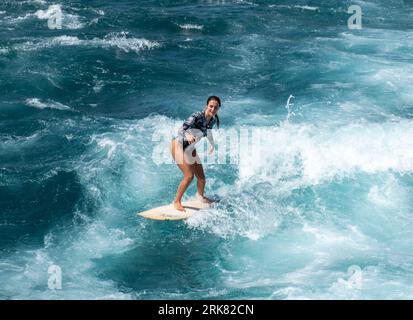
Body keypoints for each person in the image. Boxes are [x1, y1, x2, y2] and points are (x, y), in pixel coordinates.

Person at [169, 96, 221, 211]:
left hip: (190, 148)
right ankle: (176, 201)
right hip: (178, 145)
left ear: (218, 109)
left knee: (201, 178)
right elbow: (182, 129)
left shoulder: (212, 120)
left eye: (215, 107)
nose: (212, 109)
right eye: (211, 106)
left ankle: (200, 197)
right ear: (206, 106)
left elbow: (208, 132)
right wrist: (187, 134)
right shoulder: (196, 116)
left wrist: (212, 144)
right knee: (189, 176)